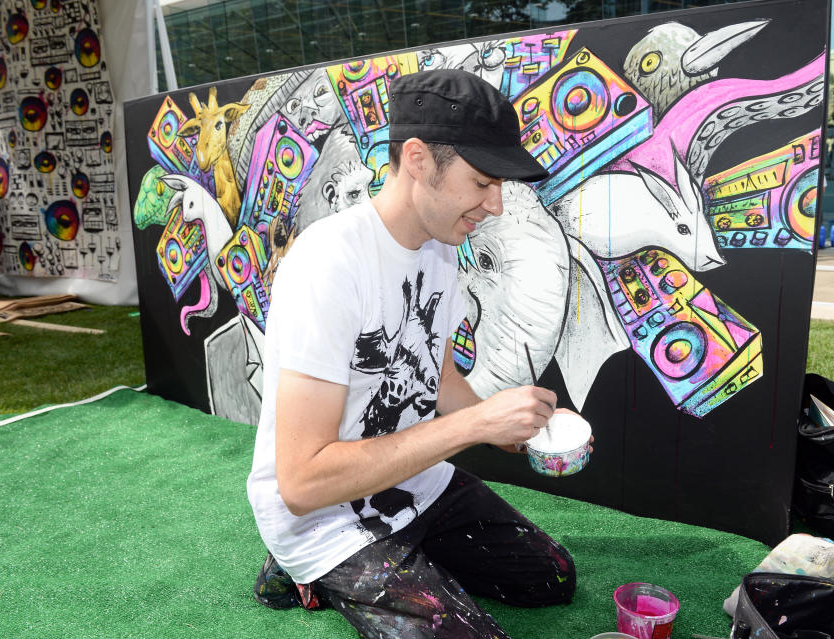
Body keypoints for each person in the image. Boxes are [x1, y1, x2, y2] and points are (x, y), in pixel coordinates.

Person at [246, 69, 587, 638]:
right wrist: (475, 425)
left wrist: (507, 429)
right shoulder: (327, 264)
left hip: (413, 482)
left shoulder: (440, 244)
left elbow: (439, 374)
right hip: (325, 515)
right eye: (483, 182)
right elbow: (302, 483)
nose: (497, 205)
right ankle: (295, 564)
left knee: (551, 578)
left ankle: (405, 560)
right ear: (418, 160)